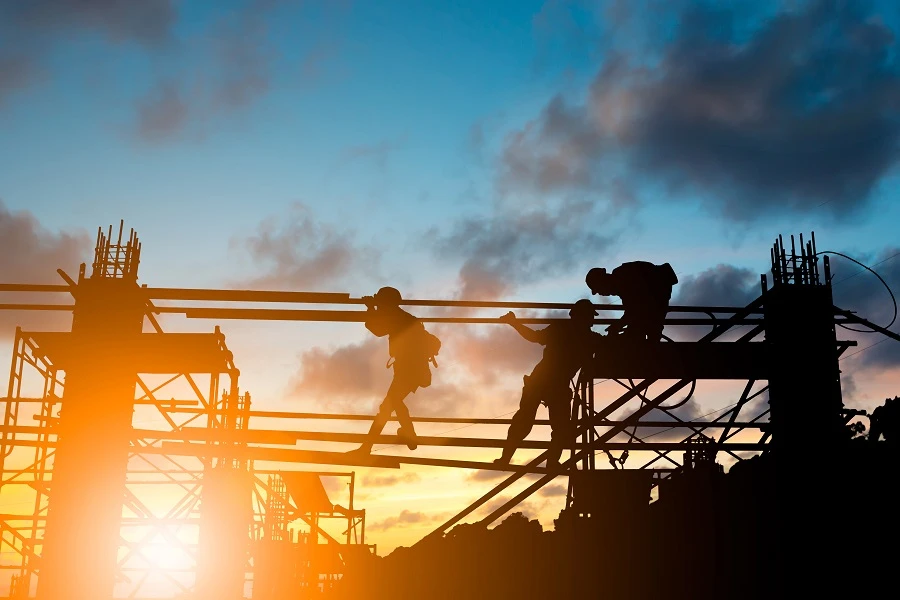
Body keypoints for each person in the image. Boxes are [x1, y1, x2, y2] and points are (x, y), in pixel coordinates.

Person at [494, 299, 604, 468]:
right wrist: (514, 322)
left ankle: (509, 459)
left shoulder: (569, 331)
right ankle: (547, 461)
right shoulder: (588, 338)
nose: (592, 320)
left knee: (538, 424)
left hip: (544, 382)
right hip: (550, 384)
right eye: (590, 316)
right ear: (581, 317)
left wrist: (514, 322)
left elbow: (535, 337)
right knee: (551, 427)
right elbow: (535, 337)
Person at [349, 286, 441, 455]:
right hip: (414, 370)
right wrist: (374, 308)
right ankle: (407, 434)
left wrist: (370, 308)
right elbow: (382, 324)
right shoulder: (404, 317)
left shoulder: (397, 318)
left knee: (387, 406)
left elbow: (377, 329)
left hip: (409, 370)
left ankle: (369, 447)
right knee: (392, 403)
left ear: (387, 303)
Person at [585, 261, 678, 342]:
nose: (601, 293)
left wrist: (619, 325)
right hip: (658, 290)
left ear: (603, 282)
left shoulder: (623, 278)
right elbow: (633, 310)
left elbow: (636, 309)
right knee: (643, 331)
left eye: (599, 290)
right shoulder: (620, 280)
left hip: (659, 289)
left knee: (649, 332)